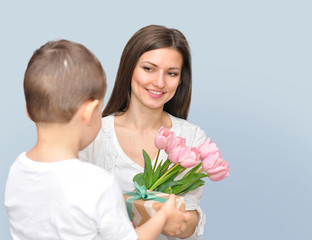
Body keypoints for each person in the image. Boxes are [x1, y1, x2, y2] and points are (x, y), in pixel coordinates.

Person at [4, 39, 189, 240]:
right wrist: (162, 217)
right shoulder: (98, 184)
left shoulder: (17, 170)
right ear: (90, 112)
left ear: (29, 113)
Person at [80, 25, 207, 240]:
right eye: (148, 68)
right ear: (129, 68)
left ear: (181, 79)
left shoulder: (192, 137)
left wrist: (181, 222)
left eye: (172, 73)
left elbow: (191, 215)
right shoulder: (93, 134)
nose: (159, 82)